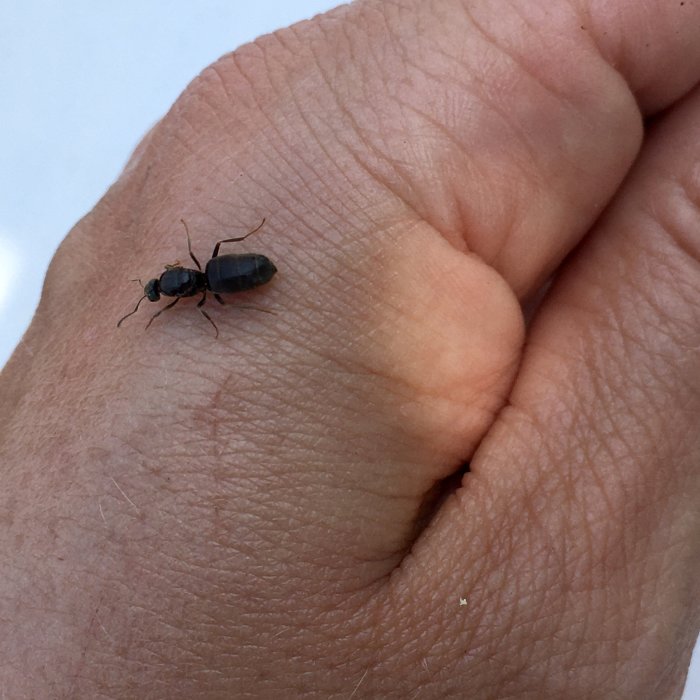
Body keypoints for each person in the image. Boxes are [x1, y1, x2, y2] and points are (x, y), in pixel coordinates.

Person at [1, 0, 698, 696]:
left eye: (160, 287)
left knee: (229, 274)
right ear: (179, 287)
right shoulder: (197, 290)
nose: (163, 289)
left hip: (242, 272)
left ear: (178, 283)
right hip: (236, 275)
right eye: (162, 290)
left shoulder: (199, 288)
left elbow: (206, 290)